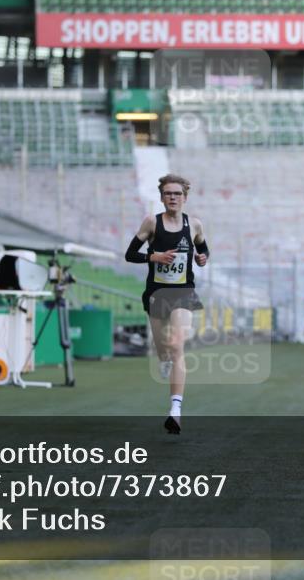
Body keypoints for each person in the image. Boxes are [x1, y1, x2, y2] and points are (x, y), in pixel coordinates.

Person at [125, 174, 209, 435]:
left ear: (185, 197)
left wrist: (202, 258)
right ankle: (164, 359)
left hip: (183, 292)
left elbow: (204, 250)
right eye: (168, 193)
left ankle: (175, 410)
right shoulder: (152, 222)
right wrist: (154, 256)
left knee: (177, 344)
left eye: (177, 194)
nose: (173, 197)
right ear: (162, 197)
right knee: (164, 348)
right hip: (157, 293)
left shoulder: (193, 224)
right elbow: (130, 254)